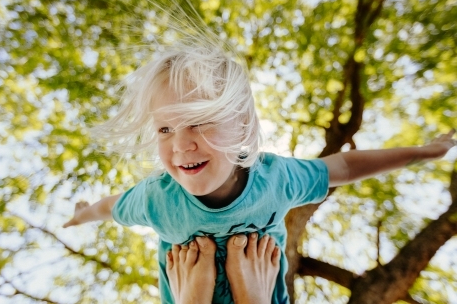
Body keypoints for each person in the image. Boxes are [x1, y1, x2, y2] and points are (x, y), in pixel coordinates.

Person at [63, 44, 457, 304]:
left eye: (199, 122)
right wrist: (82, 213)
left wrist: (425, 151)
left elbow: (343, 166)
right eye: (165, 129)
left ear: (244, 130)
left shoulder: (275, 178)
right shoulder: (157, 198)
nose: (181, 144)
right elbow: (111, 207)